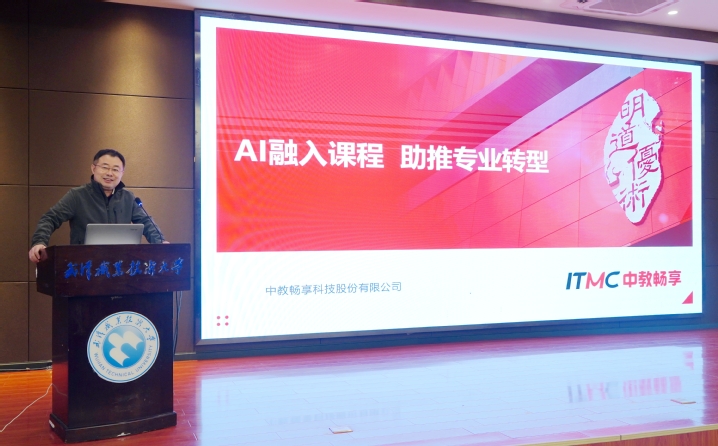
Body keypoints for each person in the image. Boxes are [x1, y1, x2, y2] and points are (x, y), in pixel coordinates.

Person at [28, 149, 168, 263]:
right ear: (93, 168)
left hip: (120, 265)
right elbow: (50, 218)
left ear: (122, 173)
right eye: (105, 167)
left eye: (115, 169)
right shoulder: (77, 196)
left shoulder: (128, 198)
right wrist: (39, 242)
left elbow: (146, 222)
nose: (109, 173)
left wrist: (160, 242)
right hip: (83, 265)